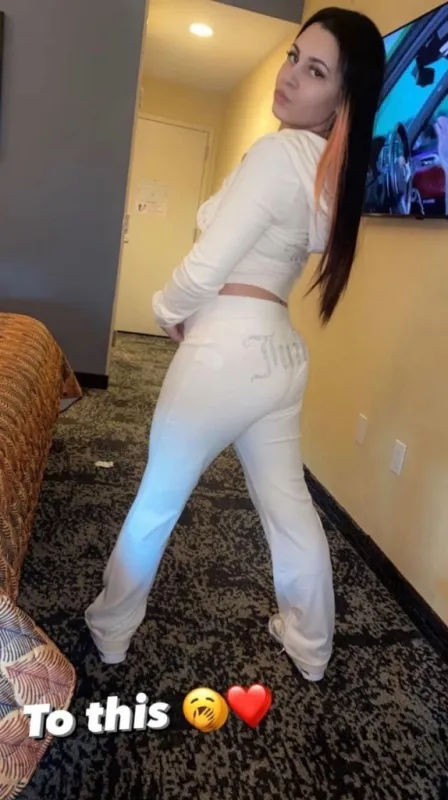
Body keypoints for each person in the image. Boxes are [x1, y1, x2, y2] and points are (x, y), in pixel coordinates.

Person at [85, 7, 385, 681]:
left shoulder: (278, 155)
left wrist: (166, 311)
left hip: (227, 348)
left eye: (316, 71)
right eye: (294, 56)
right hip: (278, 354)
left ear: (342, 100)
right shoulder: (327, 173)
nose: (291, 76)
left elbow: (204, 268)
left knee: (158, 499)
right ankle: (311, 646)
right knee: (289, 509)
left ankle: (110, 630)